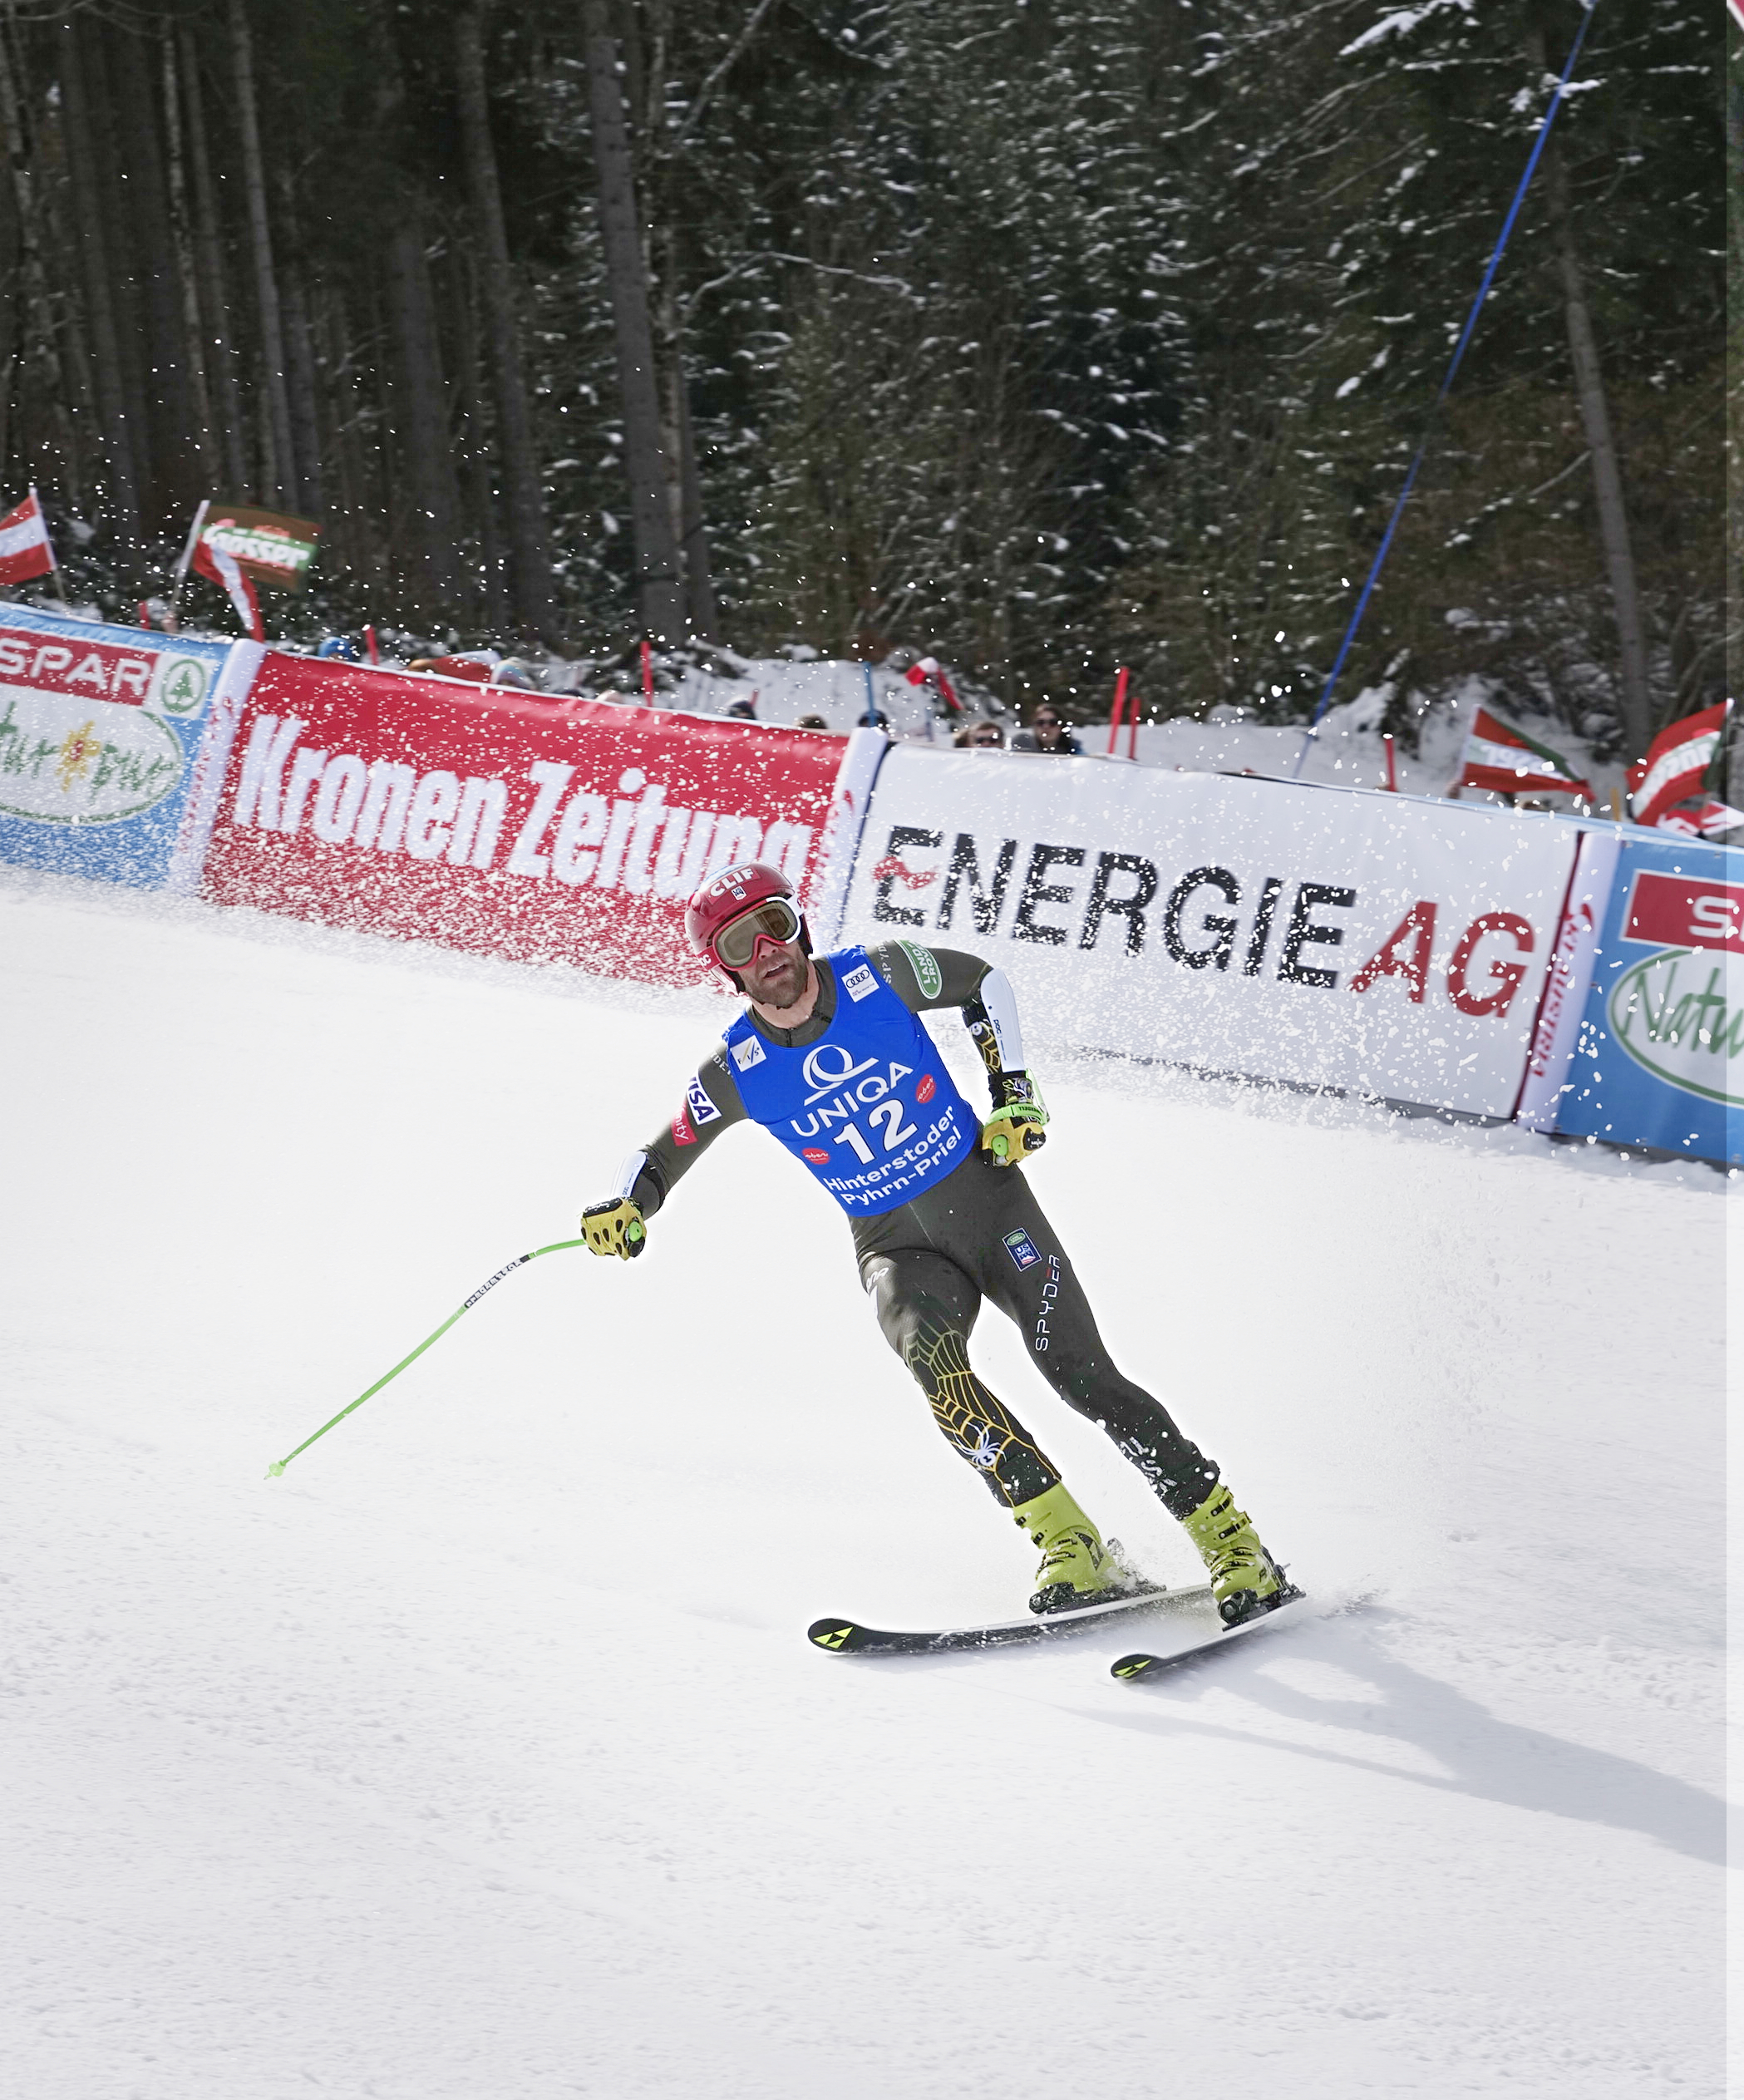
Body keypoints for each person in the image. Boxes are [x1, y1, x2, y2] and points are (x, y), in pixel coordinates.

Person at [580, 860, 1289, 1624]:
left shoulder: (880, 973)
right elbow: (662, 1153)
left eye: (775, 926)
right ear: (723, 969)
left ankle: (1231, 1543)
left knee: (1082, 1376)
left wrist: (1014, 1093)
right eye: (739, 945)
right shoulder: (735, 1069)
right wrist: (626, 1204)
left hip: (991, 1210)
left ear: (800, 926)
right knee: (935, 1367)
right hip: (896, 1249)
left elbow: (984, 982)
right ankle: (1069, 1544)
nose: (767, 953)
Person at [1011, 705, 1081, 755]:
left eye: (1053, 722)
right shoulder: (1023, 747)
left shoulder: (1075, 752)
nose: (1046, 726)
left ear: (1062, 727)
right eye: (1040, 722)